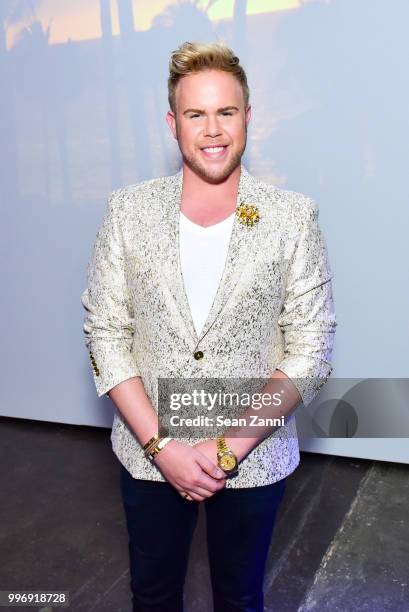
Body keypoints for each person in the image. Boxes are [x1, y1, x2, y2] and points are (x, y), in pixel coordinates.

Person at [81, 41, 337, 612]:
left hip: (254, 452)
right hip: (150, 451)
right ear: (173, 124)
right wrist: (163, 445)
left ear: (248, 116)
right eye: (196, 113)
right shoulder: (127, 210)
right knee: (151, 596)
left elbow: (310, 352)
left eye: (226, 111)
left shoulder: (293, 217)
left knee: (241, 599)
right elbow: (106, 335)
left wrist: (227, 449)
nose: (212, 129)